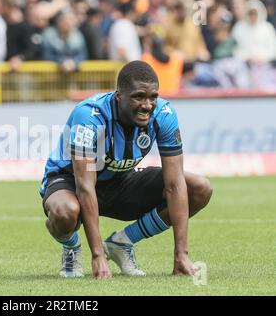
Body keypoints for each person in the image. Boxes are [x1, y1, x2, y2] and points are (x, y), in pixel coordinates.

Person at [39, 60, 213, 279]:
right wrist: (97, 255)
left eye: (153, 97)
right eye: (139, 96)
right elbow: (85, 186)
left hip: (121, 179)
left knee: (198, 188)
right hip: (71, 181)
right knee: (65, 213)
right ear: (119, 95)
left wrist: (182, 253)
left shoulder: (165, 114)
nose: (148, 105)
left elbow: (174, 184)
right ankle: (71, 247)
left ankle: (123, 242)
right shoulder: (89, 115)